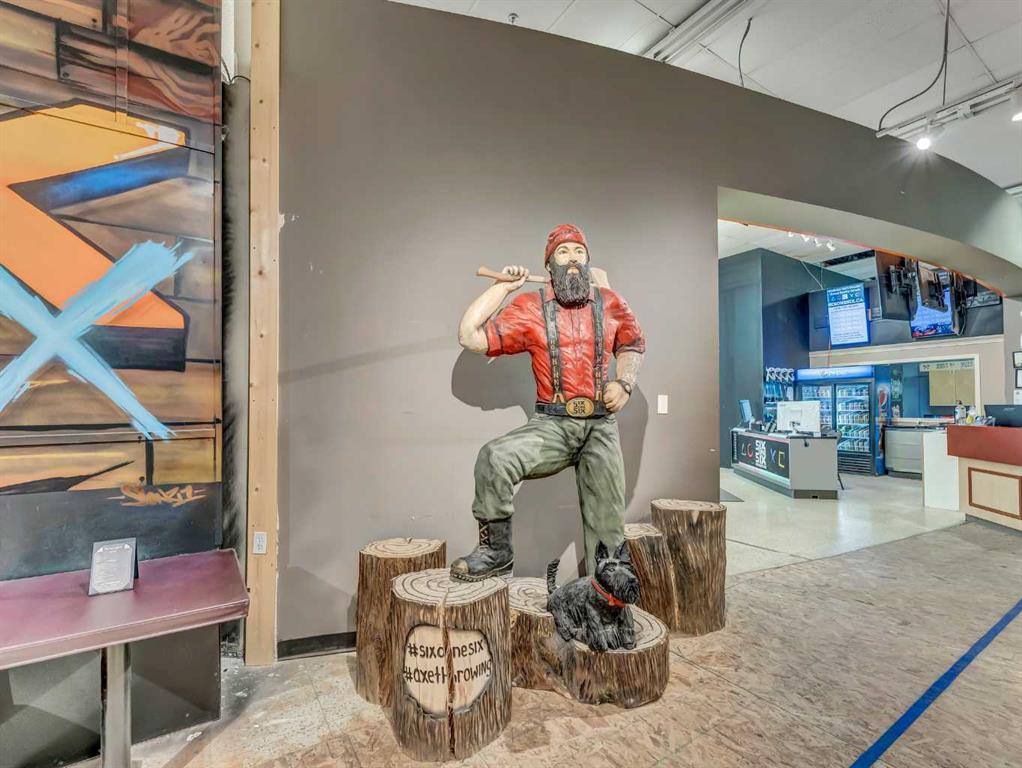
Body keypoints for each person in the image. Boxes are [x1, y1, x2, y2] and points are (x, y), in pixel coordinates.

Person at [451, 224, 645, 581]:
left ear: (587, 261)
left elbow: (631, 344)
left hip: (600, 427)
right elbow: (469, 336)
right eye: (563, 252)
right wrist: (502, 289)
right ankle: (496, 552)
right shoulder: (530, 308)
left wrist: (625, 383)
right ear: (549, 264)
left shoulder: (610, 302)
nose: (572, 259)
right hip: (552, 425)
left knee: (608, 528)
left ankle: (608, 596)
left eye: (579, 252)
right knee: (495, 458)